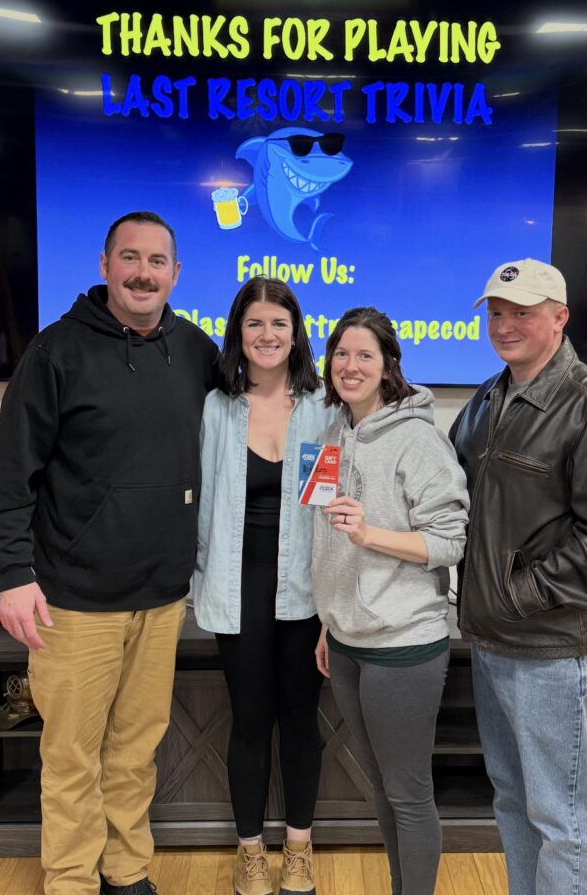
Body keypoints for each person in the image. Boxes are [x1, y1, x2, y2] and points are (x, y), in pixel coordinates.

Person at [0, 211, 219, 895]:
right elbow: (9, 478)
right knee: (72, 757)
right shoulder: (55, 353)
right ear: (105, 264)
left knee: (135, 751)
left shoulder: (195, 350)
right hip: (73, 602)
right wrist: (14, 576)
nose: (143, 273)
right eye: (130, 258)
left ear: (176, 273)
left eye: (157, 261)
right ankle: (72, 880)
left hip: (162, 598)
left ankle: (125, 868)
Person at [449, 258, 587, 895]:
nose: (504, 326)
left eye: (522, 313)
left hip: (554, 650)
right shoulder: (485, 400)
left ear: (560, 318)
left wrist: (517, 594)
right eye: (496, 313)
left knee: (565, 820)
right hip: (493, 642)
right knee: (513, 799)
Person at [311, 307, 469, 895]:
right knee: (380, 785)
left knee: (408, 792)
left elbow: (450, 541)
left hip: (403, 644)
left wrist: (370, 534)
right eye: (341, 354)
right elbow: (328, 543)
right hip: (346, 642)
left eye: (365, 355)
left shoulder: (418, 440)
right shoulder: (333, 434)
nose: (350, 366)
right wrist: (328, 621)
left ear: (388, 366)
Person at [194, 277, 335, 895]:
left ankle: (299, 850)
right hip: (236, 587)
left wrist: (336, 603)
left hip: (306, 588)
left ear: (296, 333)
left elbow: (333, 506)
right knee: (250, 721)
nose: (267, 334)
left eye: (279, 323)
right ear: (239, 333)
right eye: (255, 323)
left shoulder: (325, 408)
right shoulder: (217, 408)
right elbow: (200, 505)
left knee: (301, 719)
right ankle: (250, 852)